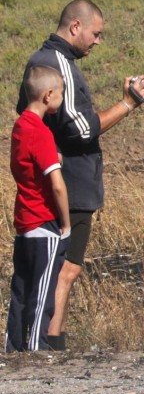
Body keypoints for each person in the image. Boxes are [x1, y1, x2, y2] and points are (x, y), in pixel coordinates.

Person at [16, 0, 144, 351]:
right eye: (96, 33)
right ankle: (48, 346)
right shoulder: (57, 64)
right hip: (69, 184)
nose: (97, 41)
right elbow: (82, 130)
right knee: (64, 268)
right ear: (75, 27)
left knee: (56, 269)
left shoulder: (42, 61)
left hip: (56, 182)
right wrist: (129, 103)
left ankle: (38, 345)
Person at [6, 66, 71, 352]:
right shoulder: (41, 133)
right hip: (43, 224)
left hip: (23, 224)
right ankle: (37, 349)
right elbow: (57, 185)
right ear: (48, 96)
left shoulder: (20, 127)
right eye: (60, 94)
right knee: (42, 293)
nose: (61, 99)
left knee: (19, 291)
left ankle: (13, 347)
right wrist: (65, 224)